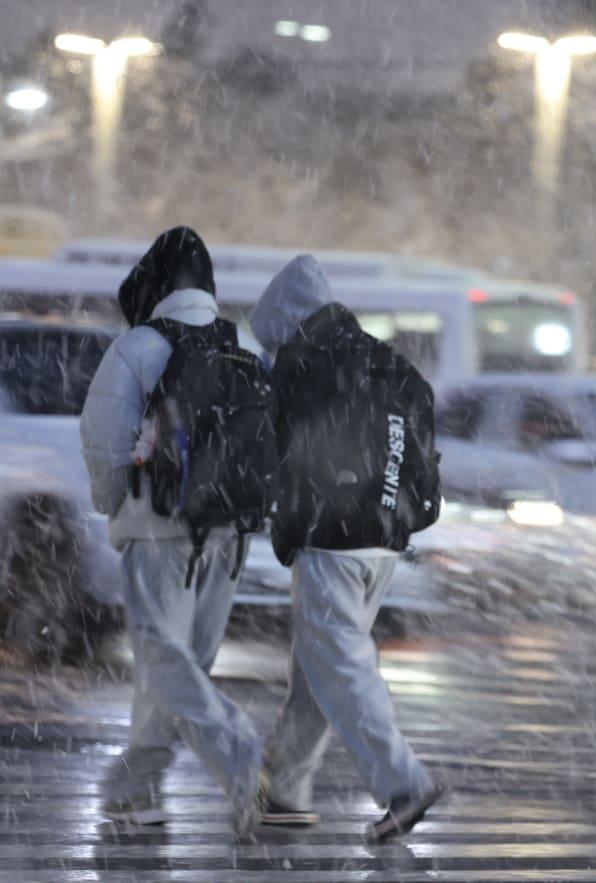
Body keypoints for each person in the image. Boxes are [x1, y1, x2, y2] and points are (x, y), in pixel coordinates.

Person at [250, 255, 445, 841]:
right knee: (320, 668)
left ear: (286, 321)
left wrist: (285, 517)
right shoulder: (389, 362)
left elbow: (275, 452)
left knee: (338, 663)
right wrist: (397, 511)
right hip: (385, 537)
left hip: (332, 536)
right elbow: (420, 448)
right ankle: (283, 789)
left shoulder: (303, 366)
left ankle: (403, 784)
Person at [79, 226, 266, 835]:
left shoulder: (138, 346)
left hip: (159, 525)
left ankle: (241, 753)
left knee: (164, 660)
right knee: (182, 666)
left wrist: (112, 502)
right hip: (229, 534)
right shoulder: (243, 343)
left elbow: (102, 434)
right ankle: (136, 789)